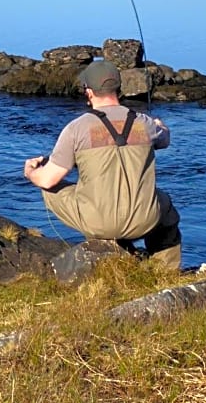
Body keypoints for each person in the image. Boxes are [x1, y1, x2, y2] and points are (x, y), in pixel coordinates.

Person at [23, 59, 181, 269]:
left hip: (98, 223)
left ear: (88, 91)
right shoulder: (145, 123)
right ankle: (166, 270)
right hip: (144, 219)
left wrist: (31, 172)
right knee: (165, 203)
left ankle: (109, 250)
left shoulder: (75, 129)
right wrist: (159, 125)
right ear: (118, 88)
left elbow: (48, 179)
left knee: (49, 188)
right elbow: (166, 139)